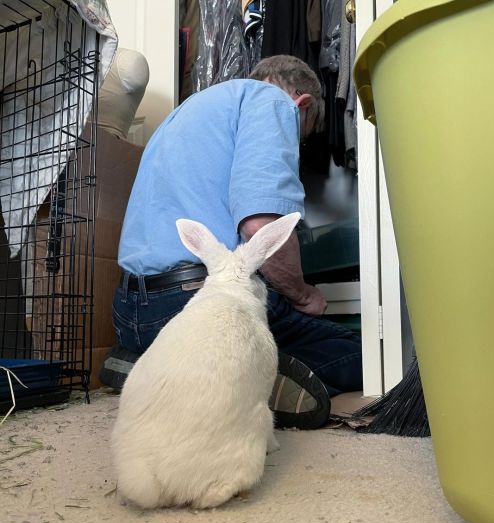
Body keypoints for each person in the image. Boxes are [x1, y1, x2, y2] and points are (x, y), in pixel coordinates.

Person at [100, 55, 362, 429]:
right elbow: (260, 226)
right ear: (302, 104)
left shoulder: (189, 110)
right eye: (306, 132)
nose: (299, 144)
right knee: (356, 353)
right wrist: (304, 295)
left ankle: (152, 365)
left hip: (130, 314)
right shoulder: (273, 103)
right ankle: (243, 381)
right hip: (197, 308)